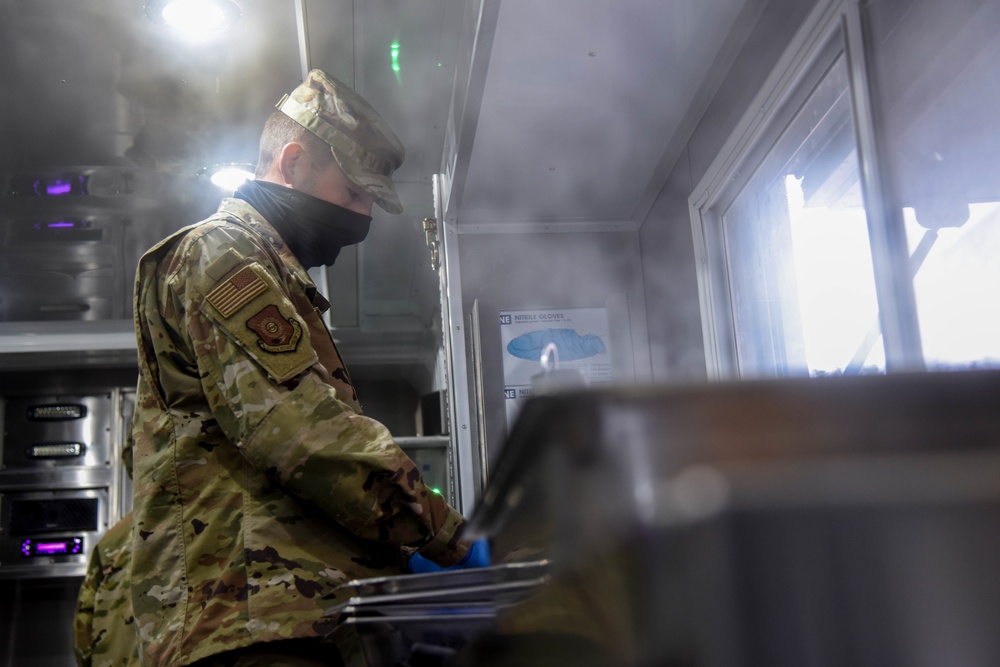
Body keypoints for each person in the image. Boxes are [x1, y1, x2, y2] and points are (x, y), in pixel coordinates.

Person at [126, 69, 486, 667]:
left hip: (285, 619)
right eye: (352, 194)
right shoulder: (224, 253)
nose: (363, 215)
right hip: (248, 622)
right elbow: (306, 435)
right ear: (291, 165)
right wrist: (450, 536)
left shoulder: (270, 270)